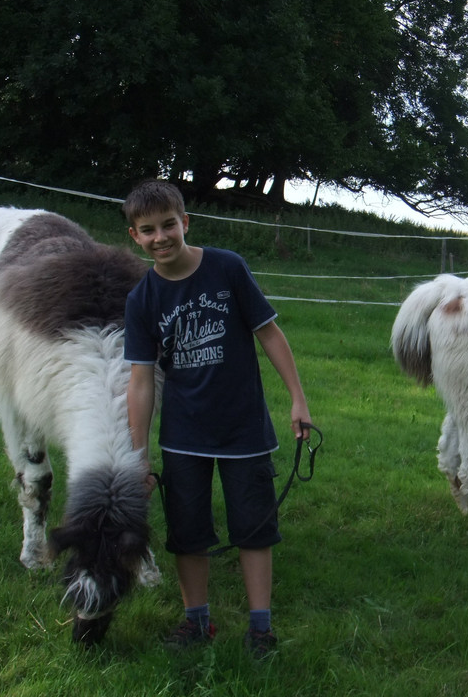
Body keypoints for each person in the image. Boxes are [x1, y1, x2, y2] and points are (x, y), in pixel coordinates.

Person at [123, 179, 312, 658]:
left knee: (254, 528)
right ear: (135, 237)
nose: (161, 237)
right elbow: (141, 381)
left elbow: (268, 333)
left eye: (169, 225)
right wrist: (138, 456)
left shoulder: (227, 268)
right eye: (149, 230)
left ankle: (261, 629)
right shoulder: (142, 300)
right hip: (183, 436)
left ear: (186, 222)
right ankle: (196, 622)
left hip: (243, 430)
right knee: (187, 532)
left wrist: (297, 399)